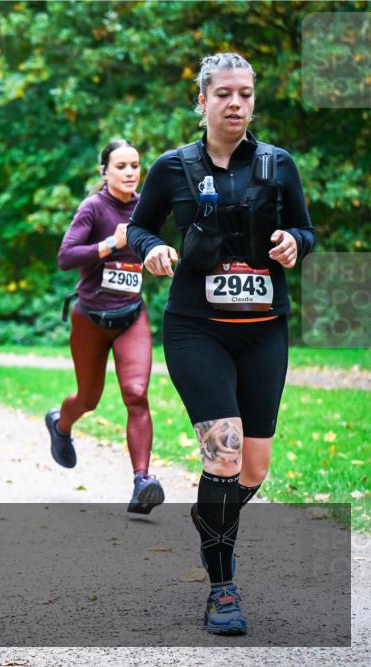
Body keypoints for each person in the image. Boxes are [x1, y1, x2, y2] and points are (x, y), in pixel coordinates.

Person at [127, 52, 315, 635]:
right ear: (203, 101)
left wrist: (293, 243)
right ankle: (223, 588)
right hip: (196, 329)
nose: (236, 103)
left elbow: (306, 229)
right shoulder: (172, 167)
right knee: (225, 454)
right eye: (224, 93)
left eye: (246, 94)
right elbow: (139, 225)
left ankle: (213, 512)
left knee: (252, 468)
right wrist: (150, 250)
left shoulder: (278, 165)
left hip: (264, 330)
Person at [45, 139, 164, 515]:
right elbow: (66, 257)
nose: (130, 173)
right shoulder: (93, 208)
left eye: (135, 166)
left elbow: (155, 243)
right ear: (104, 171)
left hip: (131, 315)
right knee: (89, 399)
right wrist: (110, 244)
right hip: (91, 319)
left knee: (136, 394)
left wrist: (160, 253)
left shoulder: (147, 207)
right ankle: (60, 424)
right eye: (121, 166)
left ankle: (142, 481)